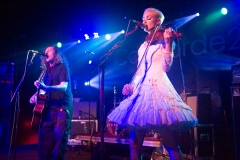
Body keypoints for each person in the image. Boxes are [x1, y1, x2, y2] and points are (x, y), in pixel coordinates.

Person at [107, 8, 198, 160]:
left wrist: (168, 43)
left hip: (159, 87)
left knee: (169, 142)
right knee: (134, 142)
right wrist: (132, 85)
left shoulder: (165, 40)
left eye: (148, 18)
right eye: (143, 18)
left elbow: (166, 67)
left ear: (158, 21)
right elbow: (140, 70)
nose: (144, 21)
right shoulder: (143, 46)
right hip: (141, 90)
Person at [29, 46, 73, 160]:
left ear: (56, 53)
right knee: (44, 143)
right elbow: (44, 90)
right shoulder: (45, 70)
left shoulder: (62, 67)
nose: (46, 52)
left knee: (58, 145)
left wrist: (46, 87)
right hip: (48, 110)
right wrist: (36, 95)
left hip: (61, 110)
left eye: (49, 50)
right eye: (45, 51)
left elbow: (63, 87)